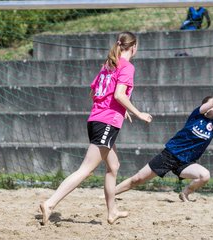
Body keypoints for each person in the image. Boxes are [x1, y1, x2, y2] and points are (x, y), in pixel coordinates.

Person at [40, 31, 153, 225]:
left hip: (96, 120)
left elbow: (94, 93)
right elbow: (119, 95)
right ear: (134, 47)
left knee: (113, 166)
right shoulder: (127, 67)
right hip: (106, 122)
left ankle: (112, 211)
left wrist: (121, 109)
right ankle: (50, 203)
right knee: (85, 170)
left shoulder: (107, 65)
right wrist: (137, 112)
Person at [115, 77, 213, 202]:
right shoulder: (196, 115)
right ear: (205, 107)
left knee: (204, 175)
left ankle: (185, 193)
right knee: (137, 179)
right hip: (170, 155)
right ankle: (110, 193)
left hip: (186, 162)